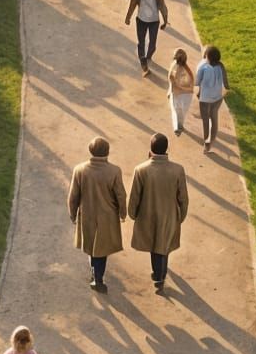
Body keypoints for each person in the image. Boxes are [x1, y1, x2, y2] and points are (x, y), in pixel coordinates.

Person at [128, 133, 190, 294]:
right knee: (164, 244)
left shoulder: (141, 169)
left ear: (150, 149)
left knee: (154, 246)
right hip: (170, 215)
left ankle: (158, 276)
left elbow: (135, 196)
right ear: (167, 149)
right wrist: (180, 216)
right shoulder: (177, 170)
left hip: (148, 214)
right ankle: (161, 274)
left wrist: (133, 214)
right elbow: (183, 197)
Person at [67, 136, 127, 290]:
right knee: (102, 249)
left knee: (91, 246)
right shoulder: (114, 171)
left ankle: (95, 274)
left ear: (90, 151)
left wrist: (73, 214)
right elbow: (120, 194)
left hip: (87, 214)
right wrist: (122, 212)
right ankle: (98, 277)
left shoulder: (80, 170)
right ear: (107, 152)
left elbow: (73, 196)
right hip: (107, 216)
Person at [125, 0, 169, 76]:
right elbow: (163, 7)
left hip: (141, 19)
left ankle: (144, 62)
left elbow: (132, 3)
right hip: (154, 20)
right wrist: (165, 21)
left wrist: (128, 17)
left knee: (141, 42)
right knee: (152, 42)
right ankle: (148, 56)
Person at [196, 43, 229, 150]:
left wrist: (199, 91)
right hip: (217, 98)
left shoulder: (203, 67)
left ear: (207, 56)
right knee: (214, 119)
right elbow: (226, 84)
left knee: (206, 120)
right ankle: (211, 141)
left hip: (205, 99)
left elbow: (197, 82)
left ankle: (206, 142)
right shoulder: (221, 66)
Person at [167, 48, 195, 136]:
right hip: (187, 95)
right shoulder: (188, 70)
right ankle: (180, 125)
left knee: (175, 110)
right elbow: (192, 82)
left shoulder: (173, 67)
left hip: (176, 93)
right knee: (183, 111)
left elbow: (171, 80)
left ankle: (177, 127)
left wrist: (169, 91)